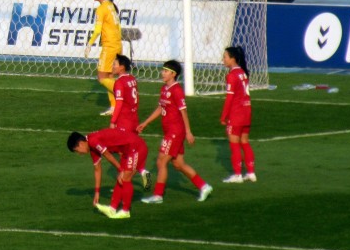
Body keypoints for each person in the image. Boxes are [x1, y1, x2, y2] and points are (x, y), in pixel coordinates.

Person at [137, 60, 213, 204]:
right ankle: (204, 186)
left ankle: (158, 195)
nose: (162, 73)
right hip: (170, 131)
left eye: (165, 71)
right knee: (178, 164)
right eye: (163, 70)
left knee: (161, 162)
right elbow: (161, 108)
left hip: (175, 132)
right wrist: (146, 123)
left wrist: (188, 132)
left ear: (173, 74)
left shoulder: (177, 91)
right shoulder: (164, 89)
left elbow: (183, 112)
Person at [66, 127, 149, 219]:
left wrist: (121, 169)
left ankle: (125, 211)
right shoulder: (91, 146)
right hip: (128, 150)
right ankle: (112, 209)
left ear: (81, 144)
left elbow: (107, 154)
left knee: (125, 178)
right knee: (120, 178)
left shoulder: (93, 141)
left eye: (77, 151)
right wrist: (97, 192)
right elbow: (97, 169)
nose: (79, 154)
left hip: (136, 147)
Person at [109, 54, 152, 190]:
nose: (113, 66)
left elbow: (119, 104)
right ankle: (141, 172)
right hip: (134, 119)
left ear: (122, 67)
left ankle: (123, 182)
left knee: (123, 152)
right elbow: (136, 99)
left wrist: (113, 121)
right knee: (130, 150)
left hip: (124, 122)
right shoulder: (132, 79)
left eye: (115, 64)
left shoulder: (119, 82)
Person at [84, 0, 121, 116]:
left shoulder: (101, 9)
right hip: (117, 44)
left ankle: (123, 95)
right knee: (110, 76)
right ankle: (114, 107)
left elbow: (97, 30)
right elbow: (118, 27)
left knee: (101, 77)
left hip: (109, 46)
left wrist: (89, 44)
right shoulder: (111, 6)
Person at [221, 45, 255, 183]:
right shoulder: (242, 72)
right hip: (247, 112)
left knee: (234, 144)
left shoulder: (232, 75)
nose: (223, 60)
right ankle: (251, 173)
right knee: (245, 142)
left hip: (236, 114)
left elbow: (229, 98)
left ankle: (237, 175)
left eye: (225, 57)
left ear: (232, 59)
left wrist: (224, 116)